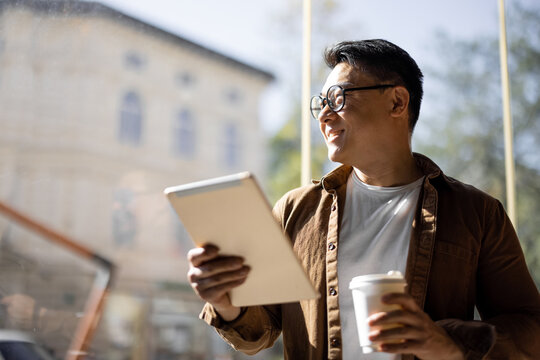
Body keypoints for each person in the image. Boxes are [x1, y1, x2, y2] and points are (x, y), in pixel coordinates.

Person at [186, 39, 540, 359]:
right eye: (320, 104)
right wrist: (225, 301)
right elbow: (258, 335)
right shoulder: (296, 210)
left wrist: (449, 345)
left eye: (338, 98)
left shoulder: (475, 212)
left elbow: (530, 328)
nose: (324, 115)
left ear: (397, 102)